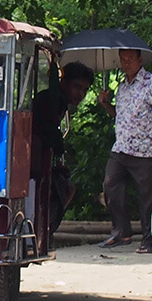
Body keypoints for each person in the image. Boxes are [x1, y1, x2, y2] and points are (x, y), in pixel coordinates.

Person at [97, 48, 152, 254]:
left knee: (148, 198)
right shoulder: (122, 87)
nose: (126, 63)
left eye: (129, 59)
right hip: (121, 148)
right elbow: (119, 115)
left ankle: (149, 241)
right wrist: (105, 104)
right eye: (122, 59)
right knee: (110, 185)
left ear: (140, 59)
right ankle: (122, 231)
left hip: (145, 150)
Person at [31, 61, 95, 244]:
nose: (81, 94)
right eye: (77, 87)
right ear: (64, 83)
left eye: (85, 90)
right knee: (62, 188)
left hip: (41, 159)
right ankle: (45, 228)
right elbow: (43, 131)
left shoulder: (59, 101)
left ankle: (46, 227)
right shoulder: (53, 100)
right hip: (34, 161)